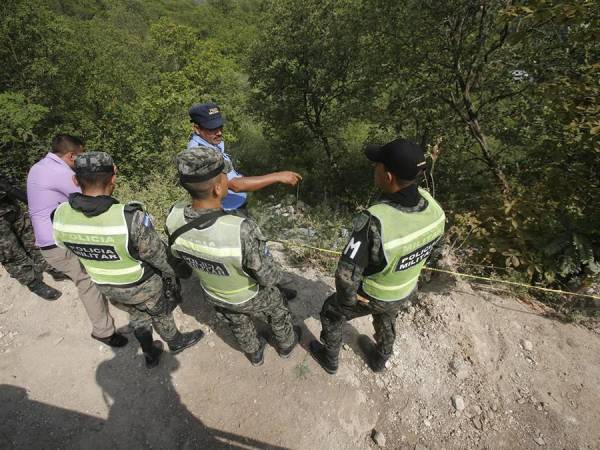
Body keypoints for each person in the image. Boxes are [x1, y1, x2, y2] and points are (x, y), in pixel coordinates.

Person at [52, 152, 204, 368]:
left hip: (105, 284)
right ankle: (176, 341)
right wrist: (183, 272)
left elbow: (68, 247)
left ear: (75, 180)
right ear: (113, 177)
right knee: (159, 312)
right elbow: (159, 257)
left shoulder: (59, 215)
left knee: (136, 315)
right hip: (142, 283)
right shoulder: (129, 218)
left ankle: (150, 352)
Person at [309, 138, 445, 374]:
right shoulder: (435, 209)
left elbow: (346, 276)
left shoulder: (375, 221)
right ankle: (380, 359)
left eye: (378, 165)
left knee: (331, 313)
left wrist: (349, 303)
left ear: (389, 176)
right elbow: (432, 252)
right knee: (387, 317)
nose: (375, 169)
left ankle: (329, 358)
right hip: (404, 289)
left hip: (372, 293)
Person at [166, 147, 299, 366]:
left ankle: (254, 354)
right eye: (226, 176)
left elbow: (178, 260)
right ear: (219, 188)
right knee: (277, 309)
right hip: (248, 294)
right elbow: (269, 277)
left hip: (214, 293)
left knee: (236, 321)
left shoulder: (174, 216)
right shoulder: (240, 229)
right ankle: (286, 345)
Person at [27, 135, 125, 347]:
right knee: (86, 281)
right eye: (80, 156)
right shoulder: (60, 172)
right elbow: (94, 197)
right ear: (71, 155)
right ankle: (104, 331)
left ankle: (112, 296)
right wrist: (109, 176)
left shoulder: (40, 167)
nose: (82, 161)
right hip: (57, 243)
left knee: (93, 268)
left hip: (54, 237)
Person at [187, 102, 302, 213]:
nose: (219, 133)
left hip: (234, 205)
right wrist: (278, 176)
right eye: (212, 128)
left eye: (220, 126)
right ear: (197, 128)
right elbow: (235, 185)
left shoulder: (210, 141)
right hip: (226, 211)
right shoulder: (201, 153)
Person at [0, 172, 65, 300]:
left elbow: (10, 183)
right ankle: (33, 283)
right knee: (11, 254)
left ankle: (49, 267)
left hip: (12, 208)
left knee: (32, 239)